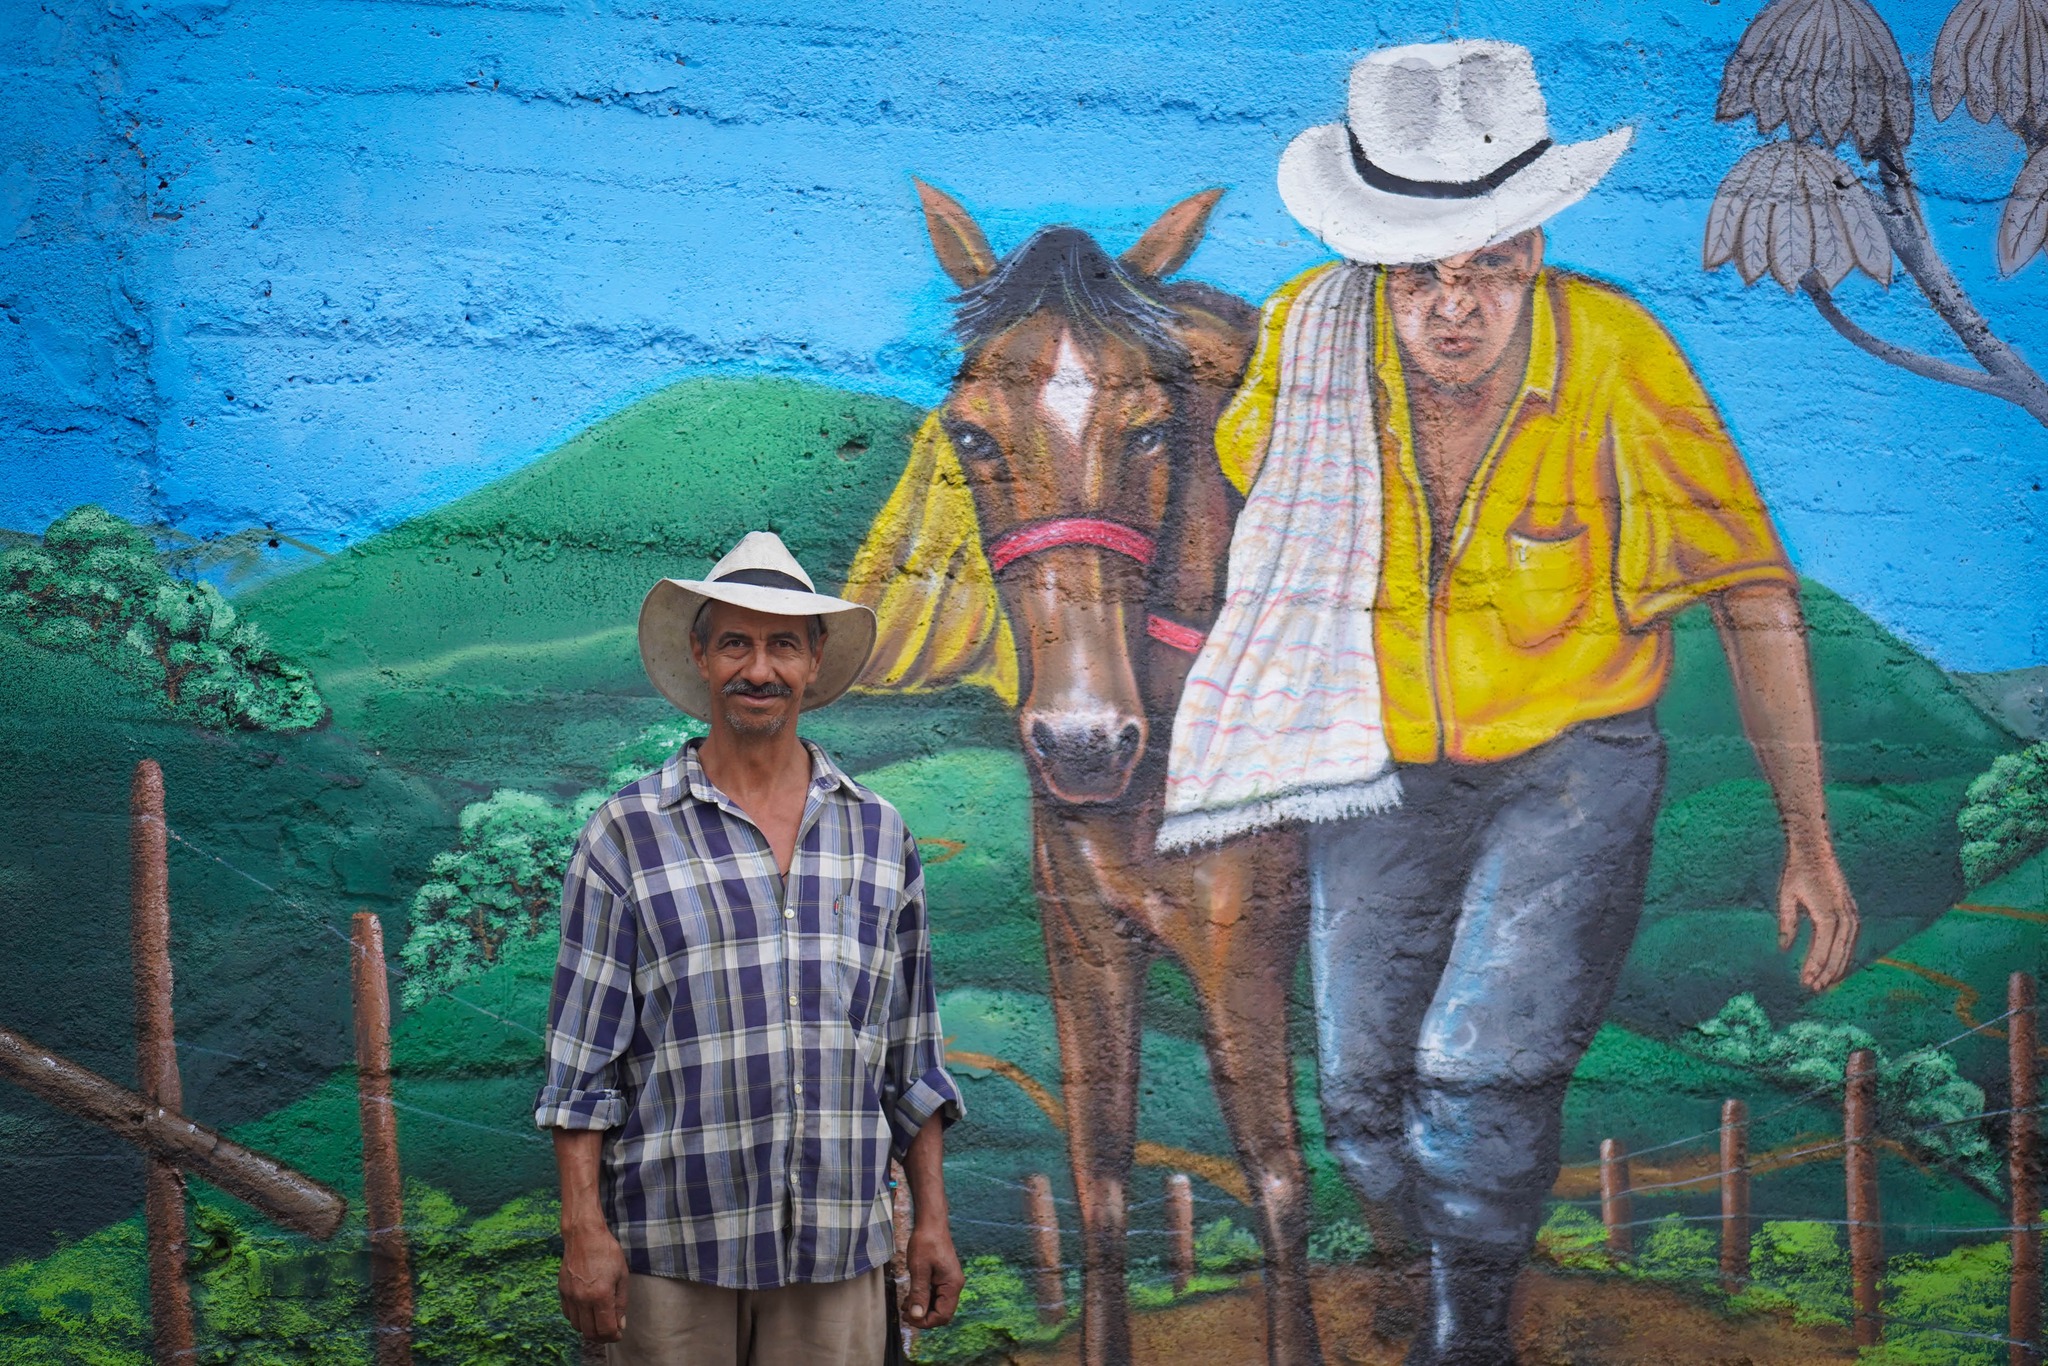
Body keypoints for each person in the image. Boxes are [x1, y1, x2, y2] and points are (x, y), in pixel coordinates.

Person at [1161, 41, 1860, 1365]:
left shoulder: (1617, 360)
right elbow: (1250, 539)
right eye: (1420, 268)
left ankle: (1465, 1338)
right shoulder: (1314, 350)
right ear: (1376, 267)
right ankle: (1428, 1268)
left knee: (1477, 1075)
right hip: (1380, 769)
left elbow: (1752, 591)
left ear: (1533, 247)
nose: (1453, 302)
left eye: (1484, 261)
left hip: (1569, 766)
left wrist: (1808, 833)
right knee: (1364, 1095)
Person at [535, 530, 965, 1365]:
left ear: (813, 661)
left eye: (781, 646)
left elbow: (911, 1060)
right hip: (674, 1255)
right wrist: (583, 1229)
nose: (757, 669)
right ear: (701, 655)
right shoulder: (626, 834)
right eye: (735, 642)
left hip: (840, 1252)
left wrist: (932, 1222)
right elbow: (580, 1066)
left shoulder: (879, 835)